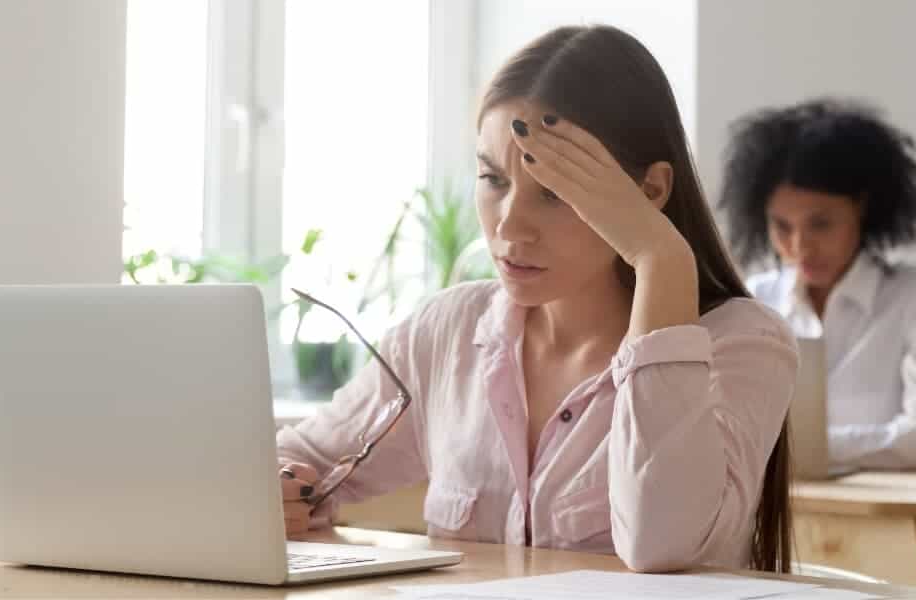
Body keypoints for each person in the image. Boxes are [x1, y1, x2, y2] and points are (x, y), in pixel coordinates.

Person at [276, 25, 797, 574]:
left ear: (648, 193)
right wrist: (279, 493)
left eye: (554, 192)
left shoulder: (742, 343)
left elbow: (660, 543)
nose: (510, 227)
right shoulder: (446, 332)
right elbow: (302, 460)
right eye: (492, 179)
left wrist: (660, 259)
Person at [719, 99, 916, 473]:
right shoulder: (756, 299)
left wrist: (801, 450)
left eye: (821, 224)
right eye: (782, 226)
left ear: (862, 210)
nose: (800, 246)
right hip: (777, 526)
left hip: (892, 526)